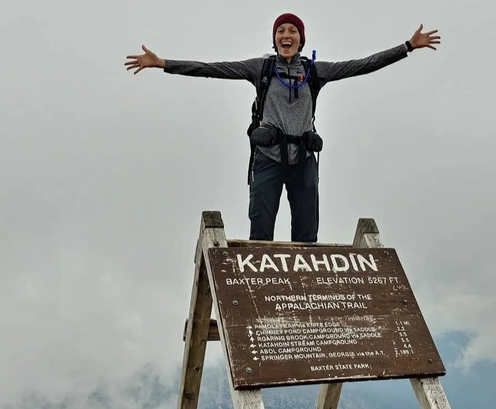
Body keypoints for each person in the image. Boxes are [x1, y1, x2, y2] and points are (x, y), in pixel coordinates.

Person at [124, 13, 441, 243]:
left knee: (307, 239)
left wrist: (407, 47)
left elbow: (362, 65)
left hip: (303, 159)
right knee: (260, 236)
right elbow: (210, 69)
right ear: (275, 39)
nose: (286, 35)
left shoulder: (316, 71)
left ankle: (307, 304)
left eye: (292, 31)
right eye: (281, 31)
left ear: (301, 40)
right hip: (268, 160)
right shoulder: (259, 68)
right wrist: (164, 64)